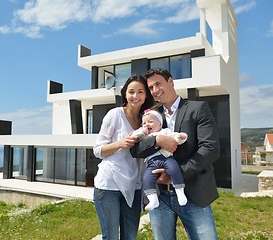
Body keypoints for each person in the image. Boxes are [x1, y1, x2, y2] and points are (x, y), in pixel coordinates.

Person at [130, 67, 220, 240]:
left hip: (193, 192)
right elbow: (136, 149)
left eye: (158, 84)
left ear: (170, 82)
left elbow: (210, 149)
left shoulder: (197, 108)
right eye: (151, 88)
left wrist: (174, 174)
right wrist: (156, 141)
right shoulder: (152, 115)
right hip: (160, 196)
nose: (155, 90)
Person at [93, 74, 154, 240]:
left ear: (146, 95)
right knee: (111, 237)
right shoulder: (115, 114)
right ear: (125, 94)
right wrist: (121, 143)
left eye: (140, 92)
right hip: (109, 186)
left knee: (130, 237)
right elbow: (97, 150)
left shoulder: (145, 120)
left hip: (133, 187)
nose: (135, 96)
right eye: (131, 91)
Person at [131, 108, 188, 211]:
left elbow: (174, 138)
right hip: (152, 162)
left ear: (160, 124)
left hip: (166, 158)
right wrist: (142, 130)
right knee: (146, 178)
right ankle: (153, 199)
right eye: (144, 123)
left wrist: (180, 137)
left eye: (150, 122)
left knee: (174, 169)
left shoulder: (165, 131)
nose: (147, 124)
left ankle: (180, 191)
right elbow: (134, 136)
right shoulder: (144, 136)